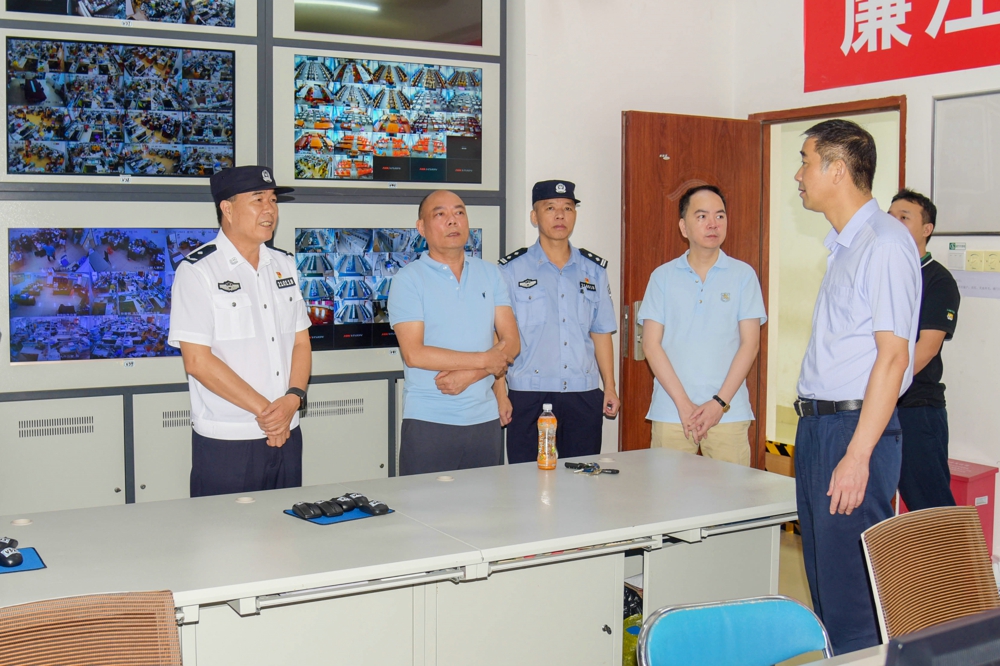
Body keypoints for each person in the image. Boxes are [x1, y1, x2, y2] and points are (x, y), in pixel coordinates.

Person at [793, 119, 921, 654]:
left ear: (837, 170)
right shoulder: (846, 246)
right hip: (822, 429)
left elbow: (894, 357)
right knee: (827, 591)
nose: (799, 175)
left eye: (805, 161)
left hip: (853, 431)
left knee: (854, 603)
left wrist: (858, 453)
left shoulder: (885, 243)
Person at [168, 165, 312, 498]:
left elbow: (301, 342)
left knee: (287, 526)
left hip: (288, 430)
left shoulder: (284, 264)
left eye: (273, 200)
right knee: (224, 530)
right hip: (229, 440)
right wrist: (267, 413)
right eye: (258, 199)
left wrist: (293, 399)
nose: (269, 210)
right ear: (227, 209)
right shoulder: (198, 271)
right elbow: (197, 361)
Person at [388, 190, 520, 475]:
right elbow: (414, 354)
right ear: (421, 227)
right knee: (425, 503)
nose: (452, 220)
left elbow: (511, 341)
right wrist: (484, 361)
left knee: (485, 503)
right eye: (440, 214)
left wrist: (472, 375)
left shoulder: (490, 274)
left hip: (484, 420)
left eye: (459, 212)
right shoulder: (408, 280)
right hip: (429, 421)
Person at [638, 185, 766, 465]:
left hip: (728, 414)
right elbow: (650, 344)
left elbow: (750, 344)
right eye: (702, 216)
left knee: (731, 493)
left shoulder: (743, 275)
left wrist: (719, 403)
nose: (713, 224)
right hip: (672, 412)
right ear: (683, 227)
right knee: (667, 494)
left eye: (720, 216)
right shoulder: (662, 277)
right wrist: (684, 405)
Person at [497, 180, 620, 463]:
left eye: (568, 208)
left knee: (581, 479)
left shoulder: (594, 270)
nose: (560, 215)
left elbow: (601, 332)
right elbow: (498, 338)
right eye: (550, 208)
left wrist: (610, 386)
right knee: (526, 480)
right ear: (534, 216)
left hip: (582, 393)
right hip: (528, 395)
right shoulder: (511, 270)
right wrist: (501, 393)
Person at [888, 189, 959, 510]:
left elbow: (927, 348)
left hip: (916, 409)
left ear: (926, 229)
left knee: (931, 508)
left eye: (904, 217)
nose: (894, 223)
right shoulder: (884, 273)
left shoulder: (938, 280)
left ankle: (954, 549)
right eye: (890, 217)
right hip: (876, 404)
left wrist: (882, 388)